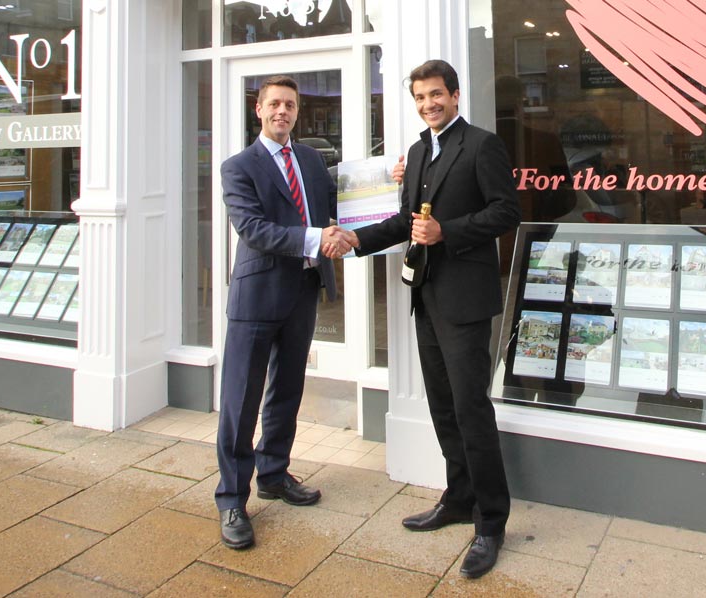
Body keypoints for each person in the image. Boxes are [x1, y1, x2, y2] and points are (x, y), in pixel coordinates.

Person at [337, 59, 521, 579]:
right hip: (427, 295)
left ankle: (491, 521)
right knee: (443, 405)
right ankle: (459, 497)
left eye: (436, 95)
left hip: (465, 297)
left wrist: (448, 232)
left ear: (456, 95)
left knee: (470, 408)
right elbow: (404, 220)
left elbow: (507, 211)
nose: (428, 104)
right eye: (420, 97)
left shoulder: (481, 145)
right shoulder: (418, 151)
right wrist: (357, 239)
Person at [215, 75, 353, 550]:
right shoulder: (238, 167)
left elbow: (340, 205)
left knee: (287, 390)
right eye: (274, 104)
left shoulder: (312, 160)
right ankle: (231, 497)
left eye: (289, 105)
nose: (282, 112)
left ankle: (273, 473)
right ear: (259, 110)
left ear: (297, 111)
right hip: (256, 298)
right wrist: (317, 239)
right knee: (240, 399)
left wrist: (389, 180)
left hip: (302, 291)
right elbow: (253, 228)